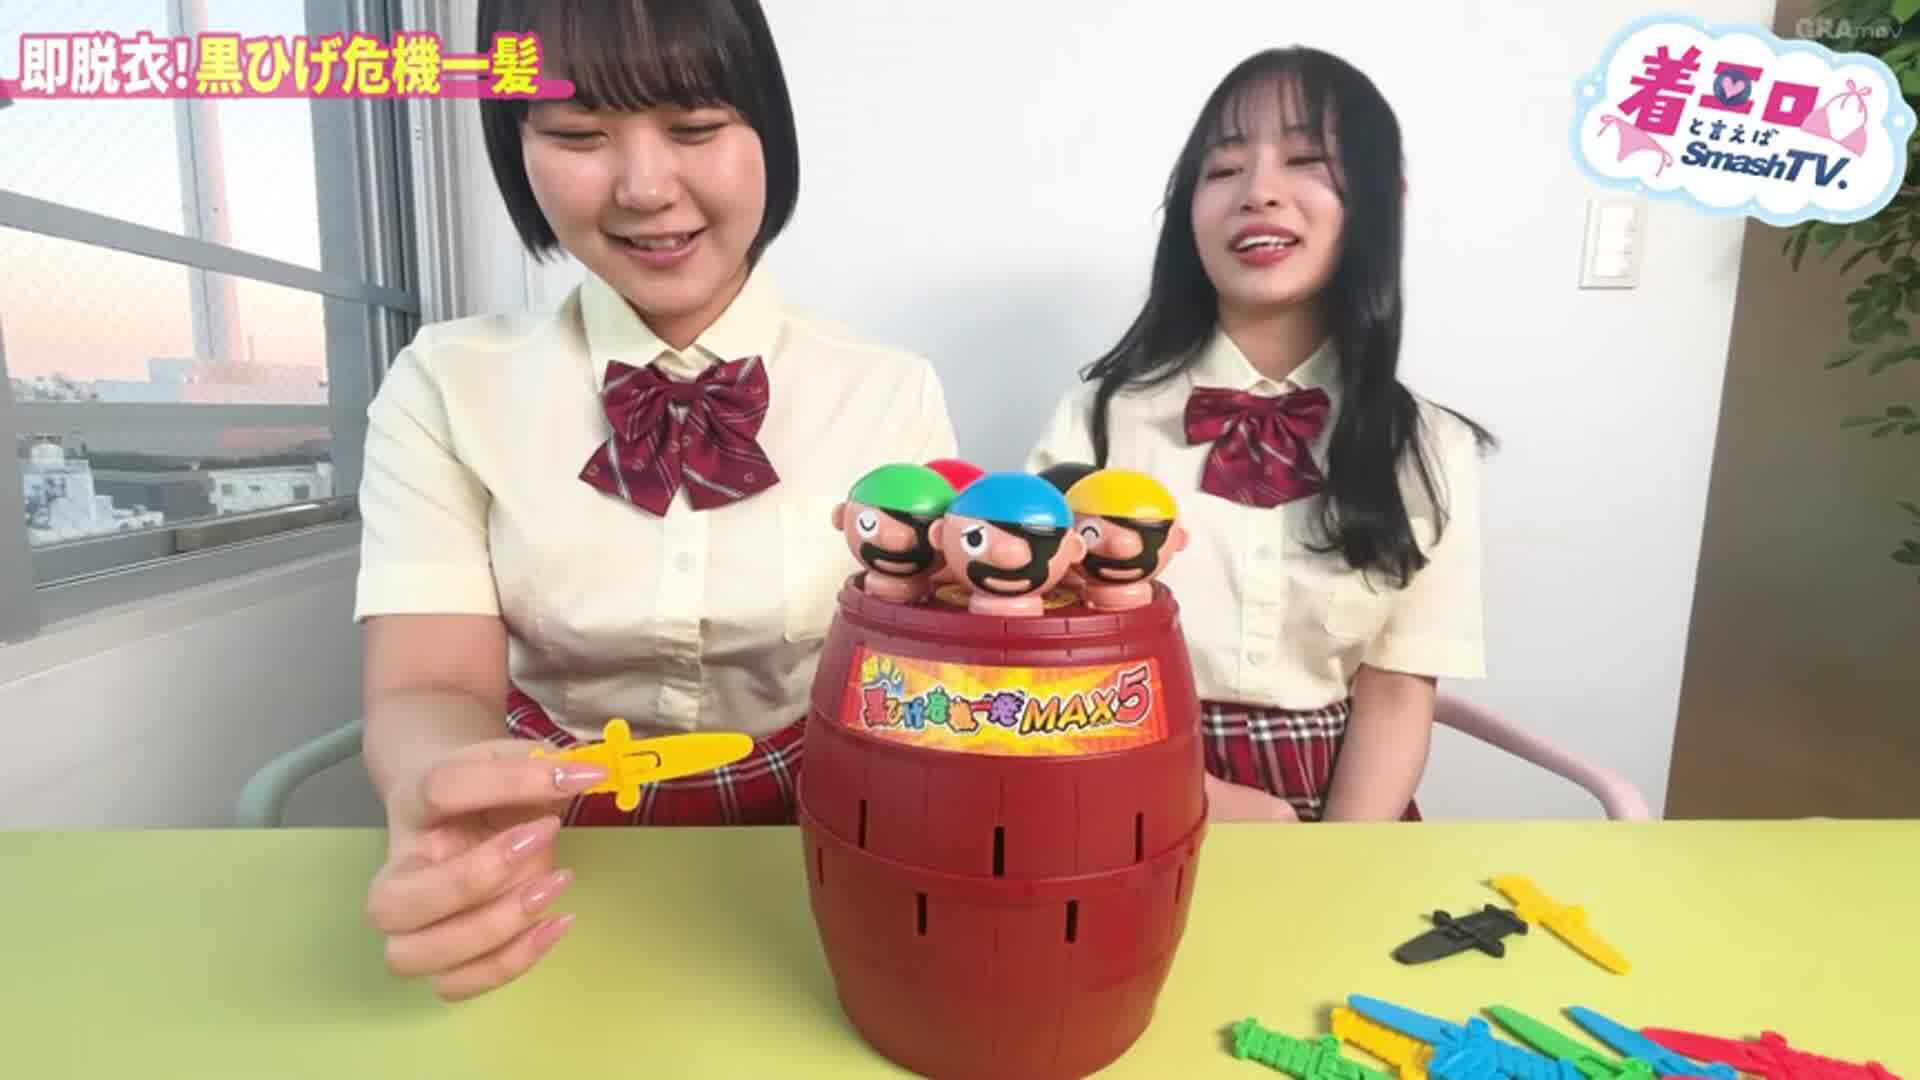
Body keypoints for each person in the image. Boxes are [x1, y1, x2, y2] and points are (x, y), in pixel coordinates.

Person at [355, 0, 957, 1001]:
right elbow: (428, 686)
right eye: (577, 135)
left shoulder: (888, 390)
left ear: (768, 131)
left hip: (820, 828)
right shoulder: (447, 383)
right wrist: (447, 789)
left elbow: (915, 669)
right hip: (543, 828)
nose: (643, 187)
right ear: (516, 145)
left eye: (695, 126)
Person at [1027, 46, 1493, 825]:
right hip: (1123, 788)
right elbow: (1043, 655)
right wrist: (1196, 799)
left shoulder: (1428, 446)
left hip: (1348, 810)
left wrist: (1334, 857)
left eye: (1306, 159)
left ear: (1383, 198)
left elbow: (1396, 689)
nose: (1259, 192)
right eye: (1223, 169)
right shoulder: (1098, 418)